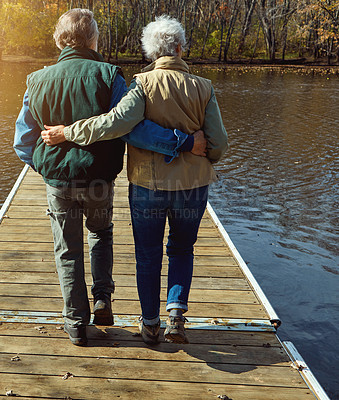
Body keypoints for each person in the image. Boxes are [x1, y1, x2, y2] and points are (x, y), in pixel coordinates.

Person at [14, 10, 207, 346]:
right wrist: (185, 142)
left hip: (58, 181)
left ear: (61, 40)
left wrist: (45, 167)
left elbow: (22, 141)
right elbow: (130, 124)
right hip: (99, 179)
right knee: (100, 233)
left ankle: (76, 323)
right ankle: (103, 299)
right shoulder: (108, 75)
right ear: (93, 39)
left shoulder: (37, 79)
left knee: (66, 249)